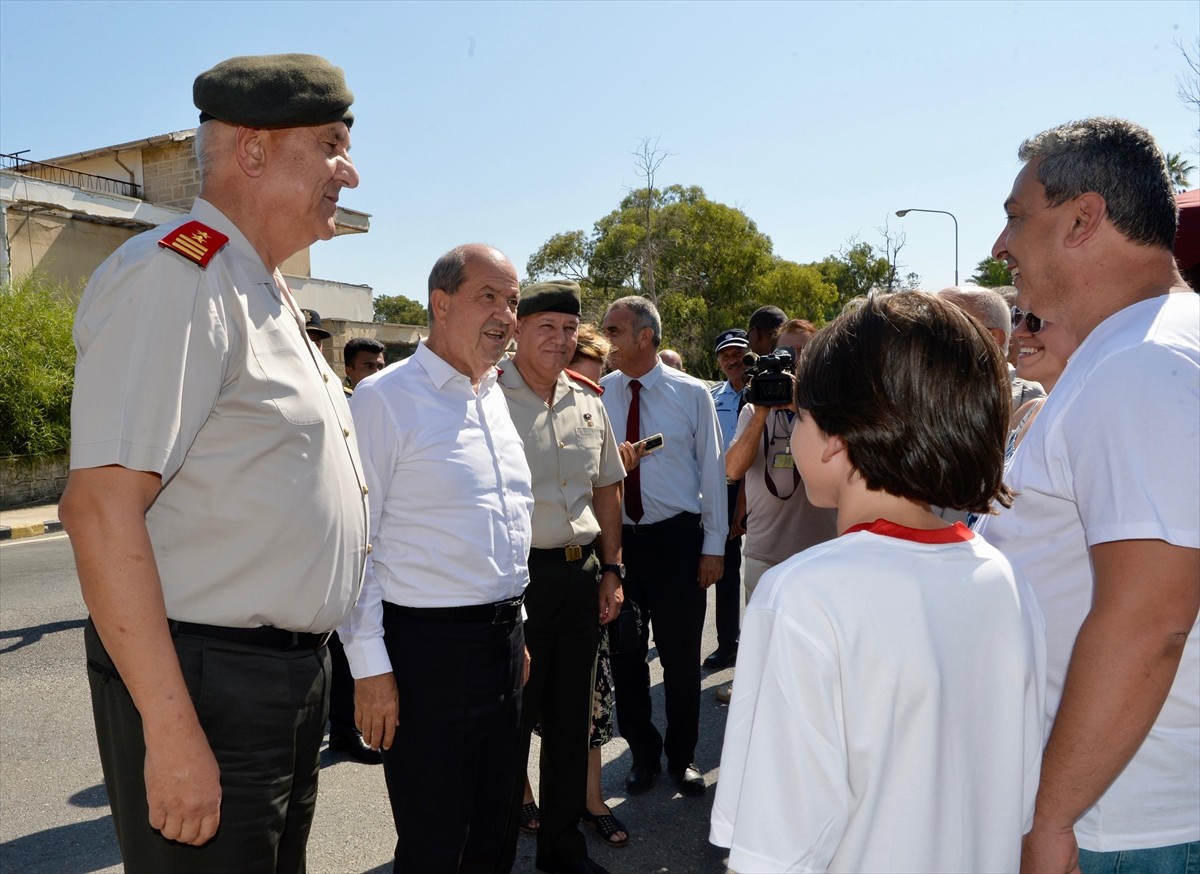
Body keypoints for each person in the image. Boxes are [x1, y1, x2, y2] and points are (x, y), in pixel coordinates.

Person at [59, 53, 368, 872]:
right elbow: (100, 509)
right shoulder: (181, 276)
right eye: (333, 145)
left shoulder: (259, 287)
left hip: (283, 682)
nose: (352, 171)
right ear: (255, 150)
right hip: (207, 682)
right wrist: (170, 732)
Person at [710, 292, 1046, 873]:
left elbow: (773, 849)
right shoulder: (1005, 579)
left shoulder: (801, 598)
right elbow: (1017, 796)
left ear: (837, 438)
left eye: (805, 414)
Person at [977, 117, 1199, 873]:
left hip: (1125, 823)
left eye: (1015, 214)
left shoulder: (1141, 364)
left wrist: (1053, 818)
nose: (1001, 244)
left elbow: (1151, 620)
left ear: (1083, 218)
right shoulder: (1157, 345)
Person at [340, 243, 534, 873]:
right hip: (427, 652)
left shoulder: (494, 396)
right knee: (432, 844)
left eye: (512, 301)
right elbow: (357, 542)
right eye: (490, 297)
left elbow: (497, 525)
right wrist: (370, 668)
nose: (506, 315)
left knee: (495, 833)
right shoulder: (384, 400)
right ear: (441, 303)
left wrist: (517, 628)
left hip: (502, 644)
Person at [494, 280, 624, 874]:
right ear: (517, 328)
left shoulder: (589, 400)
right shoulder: (487, 396)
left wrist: (614, 569)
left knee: (572, 724)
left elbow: (607, 489)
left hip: (581, 575)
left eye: (569, 329)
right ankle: (493, 853)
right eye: (546, 326)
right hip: (517, 583)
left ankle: (562, 852)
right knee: (509, 725)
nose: (560, 339)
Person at [600, 295, 727, 797]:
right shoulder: (598, 393)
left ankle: (683, 756)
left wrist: (713, 546)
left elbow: (714, 471)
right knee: (627, 655)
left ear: (644, 336)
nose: (605, 339)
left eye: (614, 330)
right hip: (620, 544)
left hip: (678, 541)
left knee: (678, 658)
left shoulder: (690, 393)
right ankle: (643, 754)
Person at [715, 319, 837, 704]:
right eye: (786, 352)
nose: (793, 360)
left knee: (818, 648)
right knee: (765, 643)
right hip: (766, 550)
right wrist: (764, 411)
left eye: (802, 351)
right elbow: (733, 469)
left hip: (821, 549)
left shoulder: (832, 408)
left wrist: (803, 406)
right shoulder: (752, 410)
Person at [704, 328, 751, 671]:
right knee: (726, 565)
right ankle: (728, 643)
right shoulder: (713, 396)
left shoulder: (766, 391)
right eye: (725, 355)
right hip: (726, 485)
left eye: (738, 353)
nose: (732, 360)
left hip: (763, 484)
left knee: (767, 563)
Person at [938, 286, 1046, 418]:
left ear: (993, 338)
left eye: (945, 329)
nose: (929, 339)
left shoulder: (1035, 411)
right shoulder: (918, 397)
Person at [1005, 307, 1076, 457]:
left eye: (1035, 319)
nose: (1017, 331)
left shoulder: (1092, 419)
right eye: (1017, 316)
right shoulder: (1029, 409)